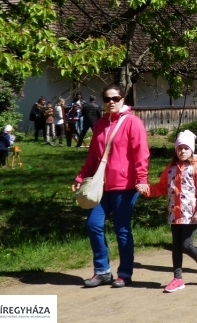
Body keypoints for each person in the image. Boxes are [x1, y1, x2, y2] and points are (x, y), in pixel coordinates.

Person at [72, 83, 150, 288]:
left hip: (125, 185)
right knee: (93, 225)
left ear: (122, 99)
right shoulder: (99, 124)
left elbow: (141, 153)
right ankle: (102, 271)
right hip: (101, 186)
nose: (111, 102)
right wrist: (80, 177)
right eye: (107, 99)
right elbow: (93, 157)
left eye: (115, 98)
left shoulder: (133, 123)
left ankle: (124, 273)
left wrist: (141, 179)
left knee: (122, 229)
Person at [136, 130, 197, 293]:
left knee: (186, 245)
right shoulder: (170, 169)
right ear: (175, 150)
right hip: (174, 214)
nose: (182, 151)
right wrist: (147, 189)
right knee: (176, 246)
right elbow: (161, 187)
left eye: (186, 148)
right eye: (179, 148)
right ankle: (178, 278)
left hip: (192, 214)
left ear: (191, 150)